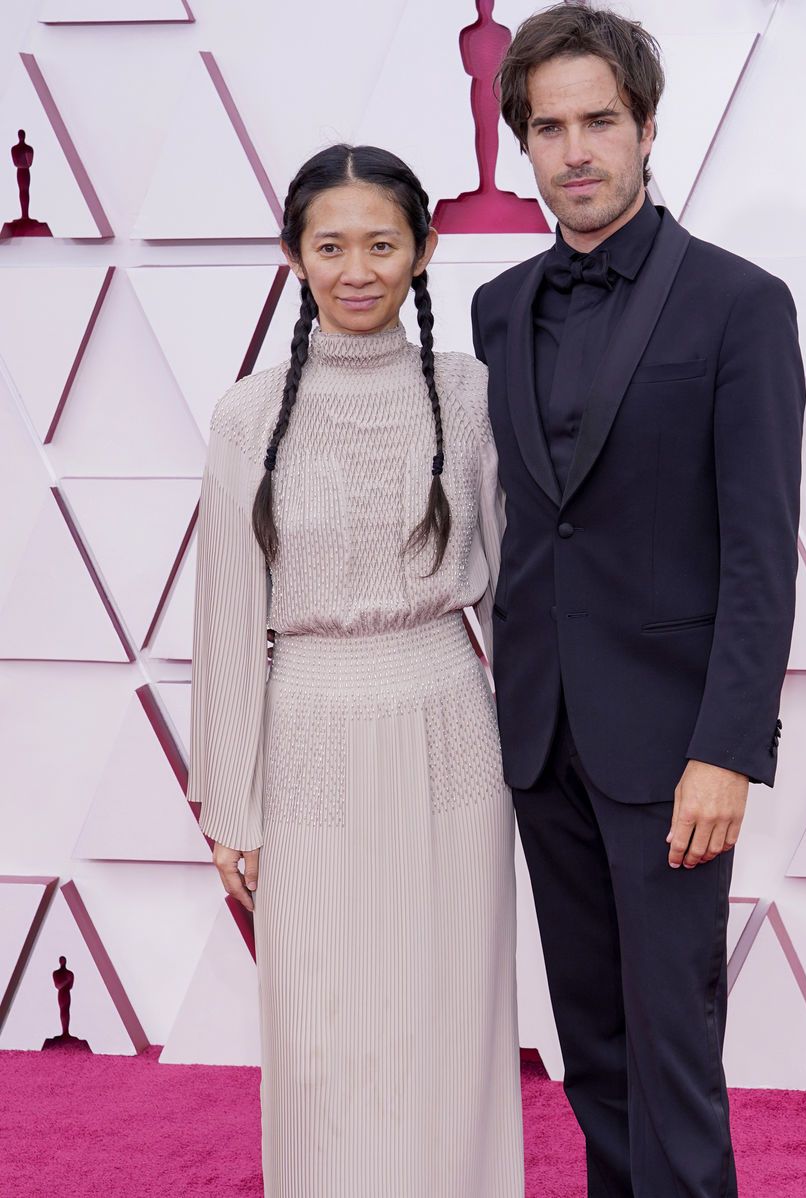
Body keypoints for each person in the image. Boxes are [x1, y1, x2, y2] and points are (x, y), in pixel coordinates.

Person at [471, 6, 806, 1196]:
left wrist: (727, 748)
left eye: (599, 120)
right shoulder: (498, 309)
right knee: (592, 1049)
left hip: (673, 751)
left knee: (672, 1052)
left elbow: (762, 551)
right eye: (549, 127)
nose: (575, 151)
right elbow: (532, 524)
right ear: (523, 142)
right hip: (542, 735)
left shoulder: (739, 304)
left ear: (646, 127)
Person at [186, 144, 524, 1198]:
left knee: (451, 1009)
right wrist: (225, 802)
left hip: (450, 722)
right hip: (308, 732)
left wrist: (554, 760)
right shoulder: (251, 412)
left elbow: (516, 595)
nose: (357, 269)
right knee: (321, 1019)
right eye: (330, 246)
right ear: (294, 256)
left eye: (382, 243)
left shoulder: (472, 397)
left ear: (423, 251)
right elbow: (231, 612)